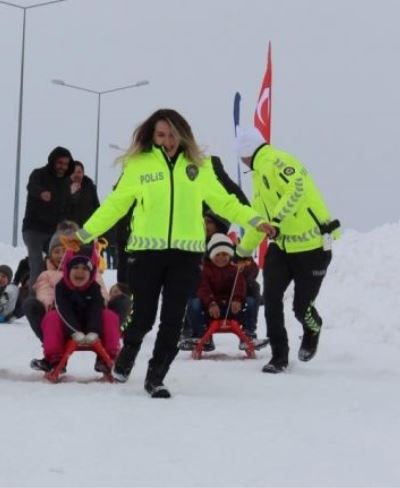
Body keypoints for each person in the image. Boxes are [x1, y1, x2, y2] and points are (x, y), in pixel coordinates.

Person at [76, 109, 274, 398]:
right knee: (143, 317)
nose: (167, 140)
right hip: (147, 253)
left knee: (172, 319)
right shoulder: (139, 164)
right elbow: (116, 205)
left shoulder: (198, 166)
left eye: (171, 134)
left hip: (186, 254)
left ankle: (156, 377)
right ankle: (127, 353)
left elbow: (225, 202)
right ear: (152, 136)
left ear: (182, 134)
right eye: (161, 135)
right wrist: (84, 234)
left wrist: (255, 220)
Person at [234, 126, 340, 374]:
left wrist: (277, 221)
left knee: (302, 307)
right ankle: (279, 357)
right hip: (281, 248)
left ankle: (313, 328)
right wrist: (242, 251)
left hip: (312, 248)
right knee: (270, 300)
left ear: (245, 153)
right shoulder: (258, 176)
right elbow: (260, 219)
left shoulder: (276, 160)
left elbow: (298, 188)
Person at [39, 245, 121, 374]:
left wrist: (94, 331)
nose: (80, 272)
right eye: (75, 267)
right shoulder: (61, 288)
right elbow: (63, 310)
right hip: (68, 329)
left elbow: (96, 309)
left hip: (91, 329)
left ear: (92, 272)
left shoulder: (94, 288)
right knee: (52, 317)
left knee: (109, 316)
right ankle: (54, 359)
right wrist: (74, 331)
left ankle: (108, 357)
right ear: (68, 270)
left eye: (84, 269)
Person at [181, 233, 258, 351]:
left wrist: (237, 299)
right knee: (194, 303)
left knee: (251, 301)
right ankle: (200, 335)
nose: (221, 258)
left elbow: (240, 285)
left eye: (225, 254)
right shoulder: (205, 270)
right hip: (211, 310)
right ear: (211, 255)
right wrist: (211, 303)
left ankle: (248, 334)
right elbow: (203, 288)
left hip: (232, 309)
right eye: (217, 254)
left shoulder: (235, 268)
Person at [22, 146, 75, 281]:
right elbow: (31, 187)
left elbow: (67, 207)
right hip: (33, 230)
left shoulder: (67, 182)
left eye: (65, 164)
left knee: (61, 262)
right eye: (60, 163)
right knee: (36, 265)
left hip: (54, 231)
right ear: (53, 161)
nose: (62, 167)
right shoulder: (39, 174)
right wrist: (41, 193)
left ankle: (55, 293)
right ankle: (34, 300)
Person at [65, 161, 100, 226]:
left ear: (83, 173)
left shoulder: (90, 186)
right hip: (70, 229)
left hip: (87, 228)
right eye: (73, 172)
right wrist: (70, 194)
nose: (76, 175)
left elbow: (96, 207)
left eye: (79, 172)